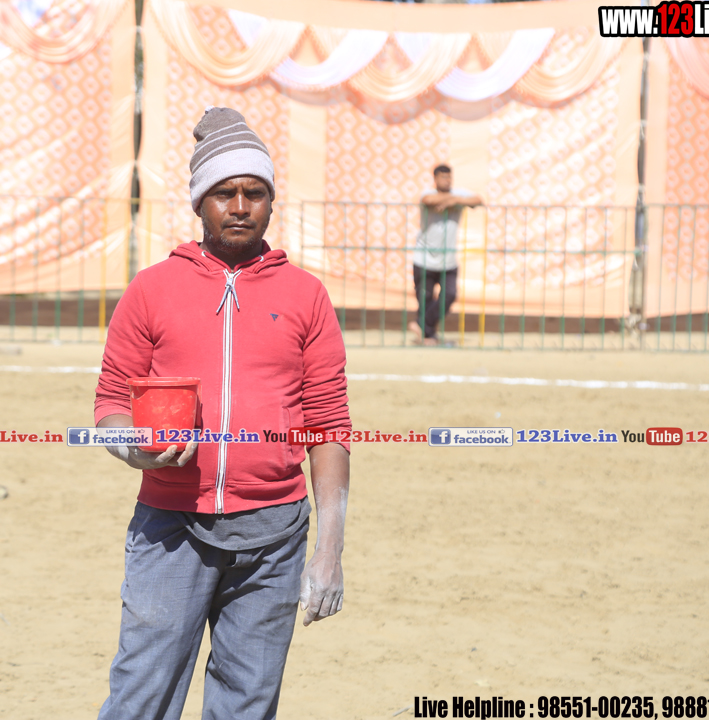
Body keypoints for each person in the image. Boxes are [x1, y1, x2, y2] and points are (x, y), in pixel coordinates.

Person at [93, 107, 352, 720]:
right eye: (224, 193)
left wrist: (329, 551)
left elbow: (329, 424)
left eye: (254, 193)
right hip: (170, 529)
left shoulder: (307, 295)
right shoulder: (151, 289)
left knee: (246, 705)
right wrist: (135, 450)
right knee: (141, 697)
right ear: (199, 203)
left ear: (271, 203)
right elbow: (109, 404)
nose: (239, 207)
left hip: (275, 536)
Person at [410, 164, 483, 346]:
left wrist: (455, 200)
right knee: (425, 299)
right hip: (424, 258)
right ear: (435, 179)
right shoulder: (428, 193)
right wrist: (454, 200)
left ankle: (421, 325)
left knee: (449, 295)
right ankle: (428, 337)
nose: (447, 181)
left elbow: (478, 200)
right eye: (443, 177)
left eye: (449, 177)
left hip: (448, 260)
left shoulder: (458, 194)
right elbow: (428, 200)